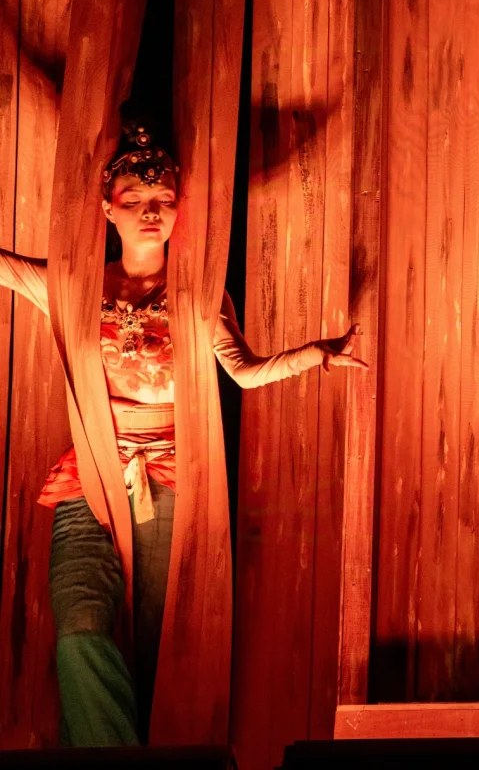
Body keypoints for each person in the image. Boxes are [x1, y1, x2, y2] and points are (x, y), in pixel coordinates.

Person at [0, 118, 365, 746]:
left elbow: (243, 371)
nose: (150, 212)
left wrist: (317, 355)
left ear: (178, 210)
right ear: (107, 208)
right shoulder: (74, 285)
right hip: (91, 473)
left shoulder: (196, 296)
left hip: (168, 479)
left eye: (163, 200)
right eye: (135, 199)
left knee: (152, 648)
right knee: (81, 630)